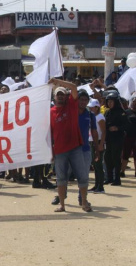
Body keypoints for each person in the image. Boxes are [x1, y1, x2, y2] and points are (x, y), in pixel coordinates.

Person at [48, 78, 92, 213]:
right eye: (58, 94)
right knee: (61, 179)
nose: (60, 96)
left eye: (62, 94)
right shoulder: (50, 112)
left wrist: (57, 81)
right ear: (54, 97)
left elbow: (73, 87)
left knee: (82, 177)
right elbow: (49, 133)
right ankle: (62, 205)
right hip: (60, 151)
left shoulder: (72, 105)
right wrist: (51, 152)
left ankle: (84, 202)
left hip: (75, 148)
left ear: (66, 96)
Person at [103, 91, 126, 186]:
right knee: (107, 158)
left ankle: (117, 179)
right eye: (108, 101)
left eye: (111, 101)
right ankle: (109, 178)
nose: (109, 103)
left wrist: (117, 128)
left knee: (116, 158)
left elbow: (127, 125)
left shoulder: (121, 112)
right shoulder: (107, 112)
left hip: (117, 138)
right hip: (108, 138)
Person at [120, 97, 136, 178]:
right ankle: (122, 171)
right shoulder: (127, 112)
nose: (135, 103)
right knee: (125, 154)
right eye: (134, 101)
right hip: (128, 136)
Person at [88, 98, 106, 193]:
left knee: (98, 165)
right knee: (95, 165)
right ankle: (96, 185)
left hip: (97, 141)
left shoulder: (100, 117)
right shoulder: (93, 117)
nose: (90, 109)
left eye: (92, 107)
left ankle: (101, 186)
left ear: (96, 107)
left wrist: (101, 144)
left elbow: (103, 132)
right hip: (92, 141)